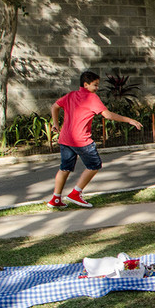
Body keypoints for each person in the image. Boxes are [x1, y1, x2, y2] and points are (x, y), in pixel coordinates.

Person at [48, 70, 142, 209]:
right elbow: (108, 115)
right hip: (81, 140)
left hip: (65, 139)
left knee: (64, 168)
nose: (97, 88)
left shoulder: (71, 95)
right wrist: (129, 120)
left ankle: (55, 199)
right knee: (94, 165)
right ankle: (75, 193)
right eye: (95, 85)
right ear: (86, 84)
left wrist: (56, 124)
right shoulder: (92, 98)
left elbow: (55, 106)